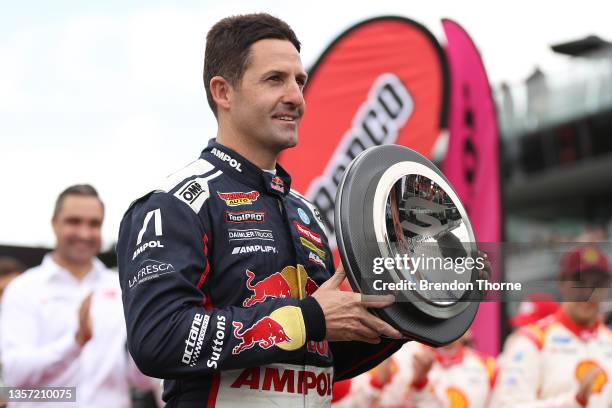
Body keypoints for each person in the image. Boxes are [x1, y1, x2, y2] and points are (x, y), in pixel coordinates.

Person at [116, 13, 407, 407]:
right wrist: (308, 318)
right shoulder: (175, 203)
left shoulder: (307, 212)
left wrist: (412, 310)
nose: (296, 97)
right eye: (275, 79)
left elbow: (319, 356)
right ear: (223, 92)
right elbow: (158, 337)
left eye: (299, 81)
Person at [1, 185, 155, 407]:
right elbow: (14, 379)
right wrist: (74, 343)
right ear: (54, 223)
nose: (84, 233)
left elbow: (140, 380)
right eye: (74, 221)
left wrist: (147, 349)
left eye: (94, 224)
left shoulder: (123, 287)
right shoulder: (23, 289)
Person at [491, 245, 612, 407]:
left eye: (597, 283)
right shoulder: (532, 340)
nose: (588, 292)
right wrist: (574, 402)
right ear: (561, 283)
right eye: (580, 282)